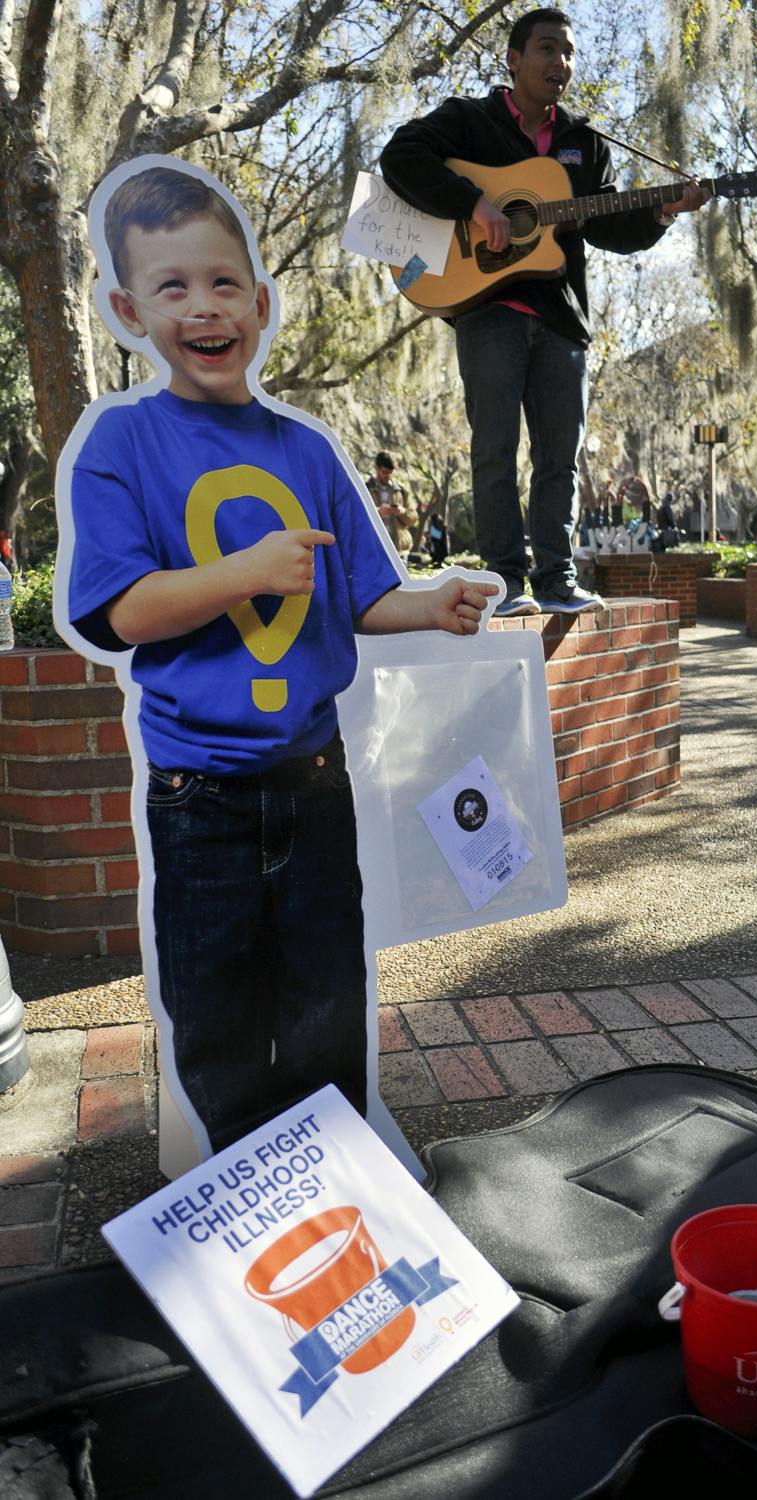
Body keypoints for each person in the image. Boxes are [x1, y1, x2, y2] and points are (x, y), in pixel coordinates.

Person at [64, 166, 496, 1152]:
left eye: (224, 284)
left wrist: (430, 603)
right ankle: (250, 1191)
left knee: (325, 1006)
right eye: (172, 288)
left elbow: (359, 593)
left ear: (259, 304)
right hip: (198, 799)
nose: (204, 308)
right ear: (128, 309)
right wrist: (243, 571)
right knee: (217, 1019)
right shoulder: (120, 444)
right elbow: (120, 612)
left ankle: (338, 1181)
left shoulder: (305, 449)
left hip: (312, 785)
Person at [380, 7, 707, 618]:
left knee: (560, 455)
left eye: (569, 53)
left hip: (562, 319)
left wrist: (665, 211)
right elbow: (401, 159)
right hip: (488, 306)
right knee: (495, 449)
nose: (562, 63)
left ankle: (556, 580)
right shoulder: (468, 120)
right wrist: (476, 204)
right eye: (548, 49)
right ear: (514, 59)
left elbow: (610, 225)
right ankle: (505, 583)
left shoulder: (584, 140)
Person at [366, 450, 417, 557]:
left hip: (399, 551)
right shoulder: (365, 489)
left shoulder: (402, 491)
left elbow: (413, 519)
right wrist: (377, 512)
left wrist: (402, 512)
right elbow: (356, 515)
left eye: (390, 472)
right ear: (376, 468)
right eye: (384, 472)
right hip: (374, 549)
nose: (387, 476)